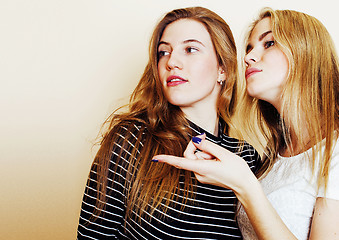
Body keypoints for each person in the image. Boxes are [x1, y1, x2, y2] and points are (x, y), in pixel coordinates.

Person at [154, 8, 339, 240]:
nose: (248, 57)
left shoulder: (333, 154)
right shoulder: (271, 160)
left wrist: (245, 185)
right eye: (250, 48)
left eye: (269, 43)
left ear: (307, 51)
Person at [77, 6, 261, 239]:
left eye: (190, 49)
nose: (172, 62)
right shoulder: (132, 139)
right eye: (163, 52)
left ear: (222, 69)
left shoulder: (246, 157)